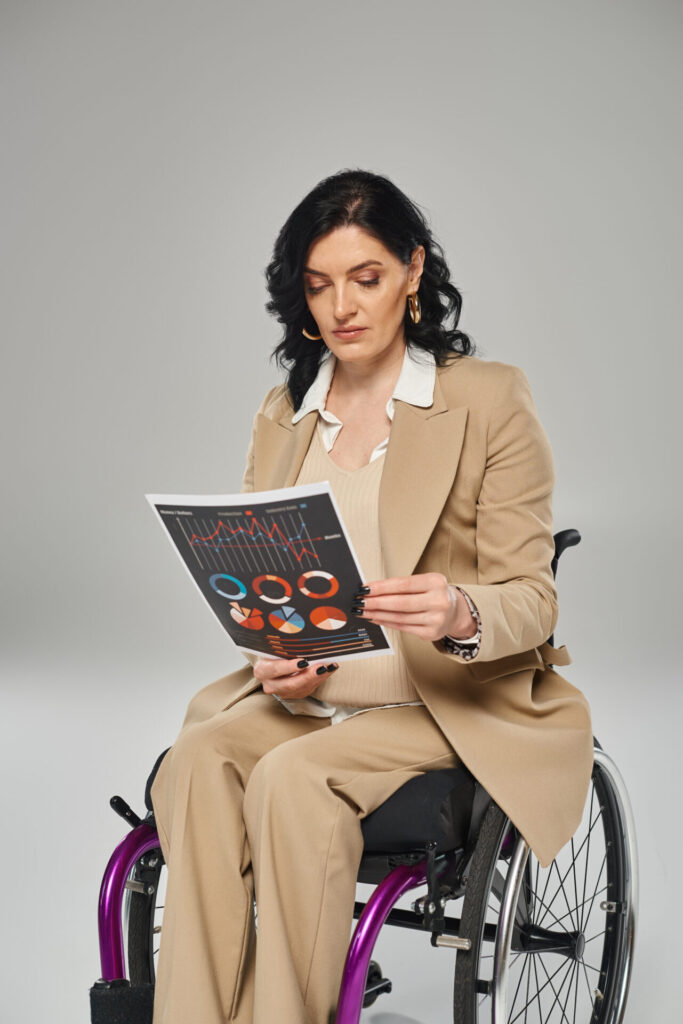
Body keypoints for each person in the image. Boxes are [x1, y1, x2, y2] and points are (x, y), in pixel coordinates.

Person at [150, 169, 593, 1024]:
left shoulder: (486, 400)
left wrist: (462, 611)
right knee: (196, 763)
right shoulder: (285, 413)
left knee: (290, 780)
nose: (341, 308)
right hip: (313, 696)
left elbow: (531, 599)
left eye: (366, 278)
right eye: (318, 286)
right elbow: (263, 580)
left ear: (413, 271)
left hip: (438, 699)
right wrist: (270, 655)